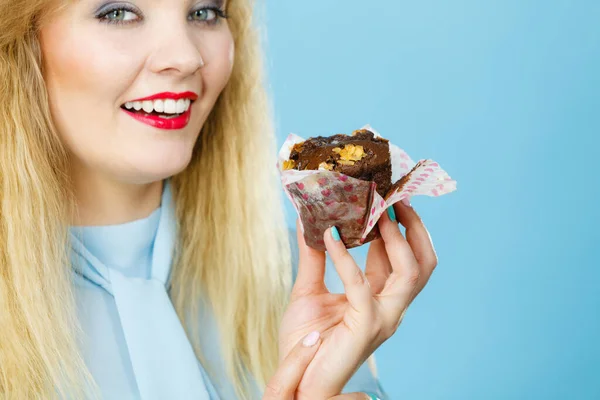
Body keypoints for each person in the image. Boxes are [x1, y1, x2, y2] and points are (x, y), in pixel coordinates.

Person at [0, 0, 438, 399]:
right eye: (118, 12)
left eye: (205, 12)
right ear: (19, 41)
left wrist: (315, 386)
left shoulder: (301, 278)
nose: (187, 58)